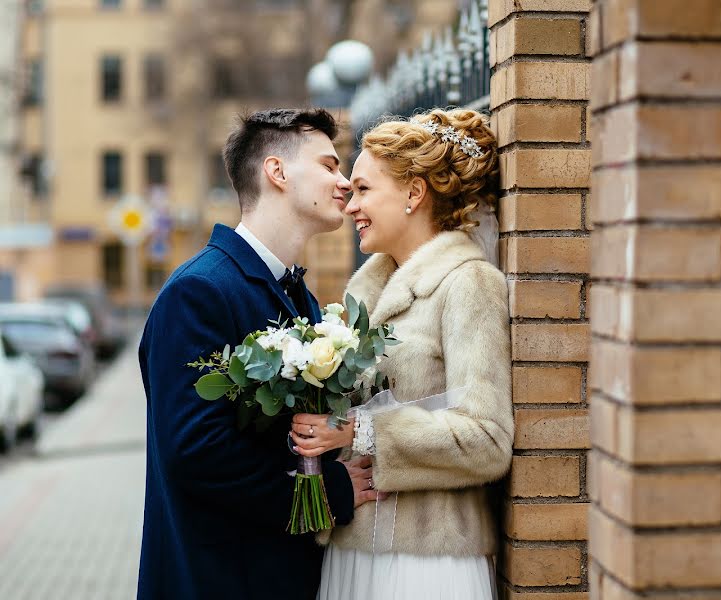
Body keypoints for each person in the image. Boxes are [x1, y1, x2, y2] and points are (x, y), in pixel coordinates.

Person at [137, 108, 377, 600]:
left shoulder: (299, 297)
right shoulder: (200, 292)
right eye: (330, 166)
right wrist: (329, 495)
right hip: (220, 578)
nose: (345, 182)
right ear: (277, 172)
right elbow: (197, 455)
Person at [289, 108, 513, 600]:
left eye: (365, 189)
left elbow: (488, 440)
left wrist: (362, 431)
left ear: (415, 193)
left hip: (427, 564)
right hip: (352, 553)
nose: (350, 205)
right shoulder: (364, 293)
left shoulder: (467, 284)